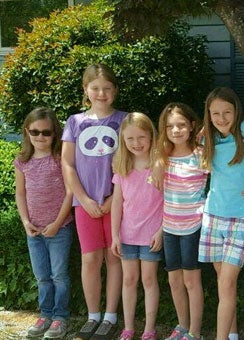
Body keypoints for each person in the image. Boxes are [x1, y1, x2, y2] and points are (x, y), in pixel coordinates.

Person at [62, 64, 127, 340]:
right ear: (85, 89)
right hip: (85, 204)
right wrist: (83, 198)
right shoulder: (75, 122)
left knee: (114, 258)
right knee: (90, 259)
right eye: (96, 88)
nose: (102, 93)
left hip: (117, 202)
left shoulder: (125, 120)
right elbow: (67, 163)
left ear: (115, 91)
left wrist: (115, 198)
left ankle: (110, 316)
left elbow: (133, 161)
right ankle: (93, 315)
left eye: (107, 88)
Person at [199, 87, 244, 340]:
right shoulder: (207, 138)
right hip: (213, 216)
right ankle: (233, 333)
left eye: (227, 112)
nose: (222, 118)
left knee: (226, 284)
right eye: (216, 113)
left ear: (237, 112)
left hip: (242, 217)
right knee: (224, 283)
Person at [15, 108, 74, 339]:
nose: (40, 137)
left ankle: (60, 318)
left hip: (59, 228)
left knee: (59, 274)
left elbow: (70, 193)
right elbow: (20, 194)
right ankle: (45, 315)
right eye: (34, 132)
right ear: (27, 132)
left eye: (46, 132)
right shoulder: (22, 162)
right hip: (34, 230)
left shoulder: (60, 159)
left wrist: (58, 223)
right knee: (42, 276)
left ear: (55, 133)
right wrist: (25, 221)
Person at [110, 112, 163, 340]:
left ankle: (149, 329)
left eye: (141, 137)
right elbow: (116, 204)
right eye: (130, 139)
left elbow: (170, 201)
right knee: (129, 280)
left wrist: (161, 231)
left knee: (149, 280)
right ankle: (128, 327)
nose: (136, 143)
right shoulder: (122, 166)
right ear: (123, 140)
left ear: (151, 136)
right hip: (127, 234)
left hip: (152, 234)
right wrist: (114, 235)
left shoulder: (160, 165)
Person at [157, 103, 207, 340]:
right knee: (174, 279)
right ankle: (182, 326)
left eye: (181, 125)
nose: (175, 130)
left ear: (192, 126)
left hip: (193, 227)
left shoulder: (201, 154)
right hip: (169, 227)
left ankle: (195, 332)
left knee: (191, 280)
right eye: (170, 126)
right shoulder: (162, 157)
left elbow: (221, 181)